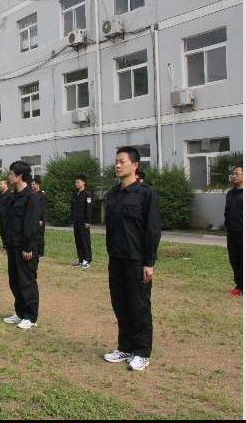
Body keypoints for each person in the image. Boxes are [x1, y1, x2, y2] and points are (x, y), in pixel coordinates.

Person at [103, 146, 161, 372]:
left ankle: (142, 352)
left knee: (139, 306)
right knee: (120, 304)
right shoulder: (113, 194)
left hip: (137, 260)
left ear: (135, 165)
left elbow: (152, 229)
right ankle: (125, 347)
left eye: (122, 162)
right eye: (116, 162)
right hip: (117, 258)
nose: (117, 165)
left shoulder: (146, 194)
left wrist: (149, 262)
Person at [2, 161, 42, 330]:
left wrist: (29, 248)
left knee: (27, 282)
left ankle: (31, 317)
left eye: (12, 173)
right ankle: (20, 312)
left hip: (25, 247)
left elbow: (31, 224)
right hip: (13, 245)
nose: (9, 176)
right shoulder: (13, 196)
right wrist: (7, 244)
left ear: (20, 176)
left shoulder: (31, 197)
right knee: (15, 281)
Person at [225, 163, 243, 295]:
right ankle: (240, 285)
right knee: (235, 259)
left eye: (237, 174)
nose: (234, 176)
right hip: (232, 232)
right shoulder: (230, 193)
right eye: (233, 174)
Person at [71, 174, 93, 268]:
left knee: (85, 241)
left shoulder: (87, 194)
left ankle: (87, 259)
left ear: (83, 182)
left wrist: (88, 221)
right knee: (78, 241)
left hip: (84, 222)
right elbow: (72, 208)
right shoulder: (75, 194)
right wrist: (73, 219)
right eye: (76, 182)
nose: (76, 184)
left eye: (78, 182)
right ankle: (81, 259)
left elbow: (89, 208)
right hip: (76, 221)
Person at [31, 176, 46, 257]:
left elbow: (42, 208)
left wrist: (41, 219)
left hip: (39, 219)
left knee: (40, 236)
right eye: (31, 184)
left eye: (34, 184)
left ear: (38, 184)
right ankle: (34, 250)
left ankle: (40, 252)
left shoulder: (41, 195)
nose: (32, 186)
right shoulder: (32, 194)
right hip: (32, 218)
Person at [0, 179, 10, 253]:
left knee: (6, 231)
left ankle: (8, 247)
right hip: (1, 215)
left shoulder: (9, 194)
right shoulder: (0, 194)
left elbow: (9, 206)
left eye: (1, 184)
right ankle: (4, 245)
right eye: (0, 184)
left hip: (6, 216)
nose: (0, 185)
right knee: (2, 231)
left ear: (6, 184)